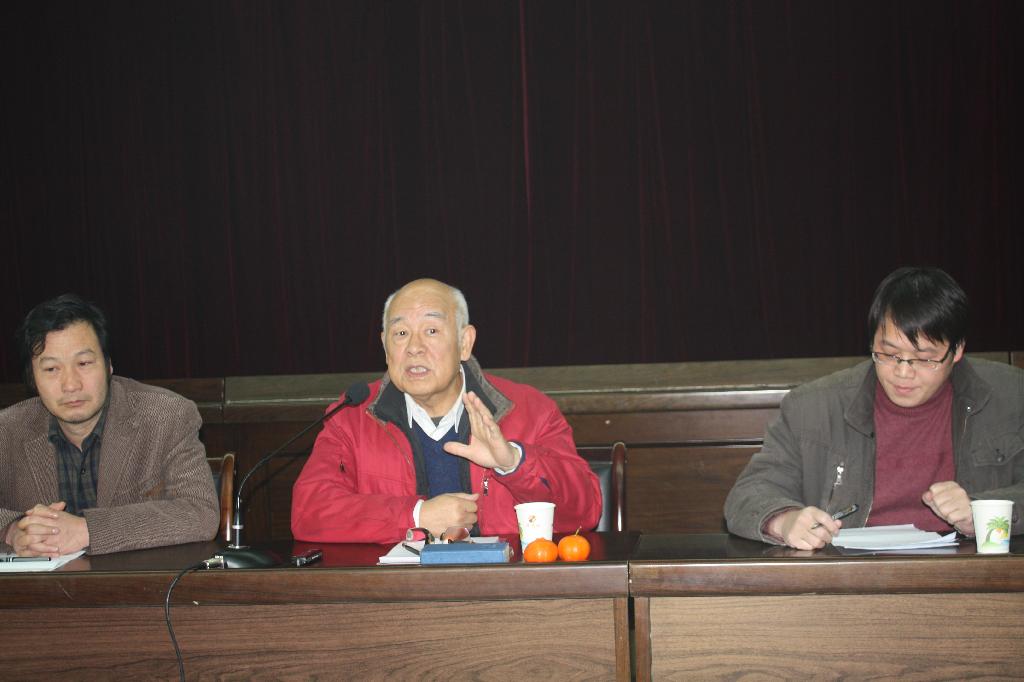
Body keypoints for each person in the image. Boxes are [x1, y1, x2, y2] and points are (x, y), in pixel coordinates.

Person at [725, 267, 1024, 550]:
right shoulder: (812, 407)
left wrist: (983, 513)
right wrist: (784, 520)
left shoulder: (1012, 396)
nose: (903, 373)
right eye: (889, 354)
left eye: (924, 359)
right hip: (851, 574)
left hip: (968, 572)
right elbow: (748, 495)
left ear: (957, 350)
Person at [291, 278, 602, 544]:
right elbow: (309, 512)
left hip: (504, 589)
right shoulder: (352, 416)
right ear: (385, 346)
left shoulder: (530, 411)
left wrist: (513, 463)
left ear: (464, 342)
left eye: (431, 331)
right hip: (397, 591)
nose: (414, 347)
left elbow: (585, 512)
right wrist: (416, 515)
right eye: (401, 334)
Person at [1, 294, 220, 557]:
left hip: (139, 581)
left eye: (84, 363)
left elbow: (200, 513)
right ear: (32, 379)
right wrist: (12, 530)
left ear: (108, 365)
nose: (71, 384)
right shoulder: (7, 431)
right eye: (51, 369)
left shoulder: (166, 416)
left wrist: (86, 530)